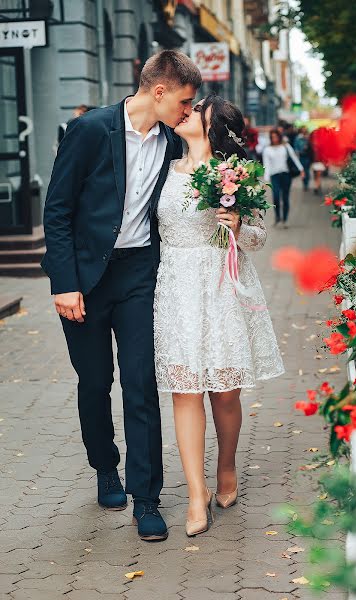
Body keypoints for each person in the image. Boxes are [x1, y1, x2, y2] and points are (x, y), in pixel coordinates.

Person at [41, 50, 202, 542]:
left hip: (138, 273)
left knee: (140, 383)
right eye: (184, 101)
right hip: (86, 277)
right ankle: (104, 466)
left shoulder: (175, 141)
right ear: (158, 92)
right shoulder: (91, 131)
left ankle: (147, 498)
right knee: (94, 381)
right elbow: (58, 209)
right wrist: (64, 282)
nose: (189, 111)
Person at [154, 93, 284, 537]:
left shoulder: (236, 177)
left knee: (225, 392)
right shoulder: (162, 167)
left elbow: (257, 240)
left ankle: (226, 465)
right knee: (184, 391)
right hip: (175, 288)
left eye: (196, 111)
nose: (184, 112)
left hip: (221, 286)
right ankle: (196, 493)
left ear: (212, 128)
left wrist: (237, 225)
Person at [261, 128, 304, 228]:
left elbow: (294, 157)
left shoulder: (286, 146)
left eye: (276, 137)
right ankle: (277, 217)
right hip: (274, 176)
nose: (274, 139)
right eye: (272, 137)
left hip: (286, 175)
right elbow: (266, 165)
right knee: (276, 196)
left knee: (285, 197)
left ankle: (285, 219)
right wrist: (266, 181)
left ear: (279, 137)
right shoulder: (267, 149)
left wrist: (301, 169)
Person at [294, 126, 313, 191]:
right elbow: (296, 147)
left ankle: (306, 183)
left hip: (307, 156)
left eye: (305, 130)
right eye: (303, 130)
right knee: (302, 170)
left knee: (307, 171)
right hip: (301, 156)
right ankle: (304, 183)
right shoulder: (298, 138)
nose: (304, 131)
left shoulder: (308, 138)